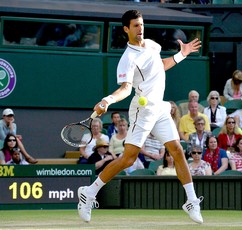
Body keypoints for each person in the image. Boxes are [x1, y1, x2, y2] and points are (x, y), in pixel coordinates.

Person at [77, 10, 204, 224]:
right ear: (126, 29)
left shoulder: (153, 45)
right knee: (128, 158)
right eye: (135, 25)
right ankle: (89, 192)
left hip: (161, 108)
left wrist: (181, 54)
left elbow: (160, 67)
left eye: (141, 24)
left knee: (178, 151)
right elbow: (126, 89)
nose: (140, 28)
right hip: (142, 111)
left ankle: (191, 201)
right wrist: (107, 100)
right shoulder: (127, 59)